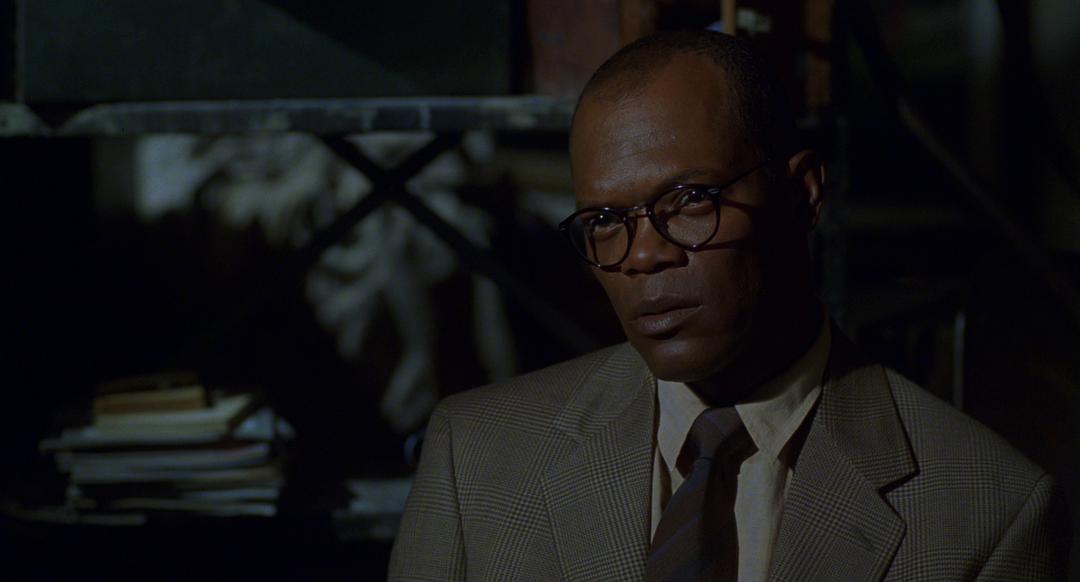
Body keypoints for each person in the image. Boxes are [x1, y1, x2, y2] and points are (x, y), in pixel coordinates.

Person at [388, 30, 1069, 581]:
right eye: (604, 220)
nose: (643, 255)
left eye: (690, 201)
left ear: (802, 195)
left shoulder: (987, 514)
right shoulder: (474, 461)